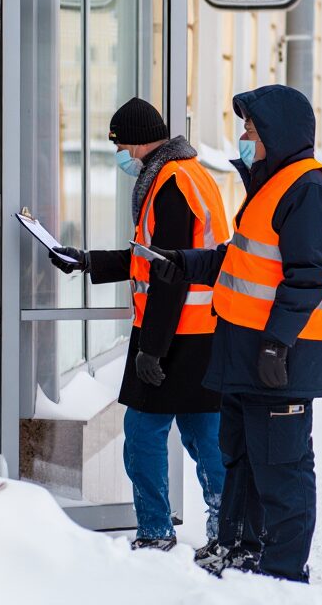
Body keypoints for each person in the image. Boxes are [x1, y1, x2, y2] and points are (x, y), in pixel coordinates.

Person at [148, 84, 322, 583]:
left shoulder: (310, 191)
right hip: (243, 355)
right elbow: (239, 262)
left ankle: (283, 574)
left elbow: (307, 278)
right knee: (241, 462)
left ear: (276, 134)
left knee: (282, 469)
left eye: (251, 130)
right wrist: (184, 263)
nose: (243, 138)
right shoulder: (273, 186)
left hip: (278, 359)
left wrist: (276, 342)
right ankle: (241, 553)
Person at [48, 99, 230, 554]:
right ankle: (230, 526)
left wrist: (152, 349)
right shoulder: (190, 174)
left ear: (139, 140)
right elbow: (153, 259)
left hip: (174, 333)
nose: (122, 154)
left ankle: (154, 531)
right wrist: (89, 262)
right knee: (205, 433)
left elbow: (167, 275)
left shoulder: (169, 184)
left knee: (144, 434)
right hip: (201, 330)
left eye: (122, 144)